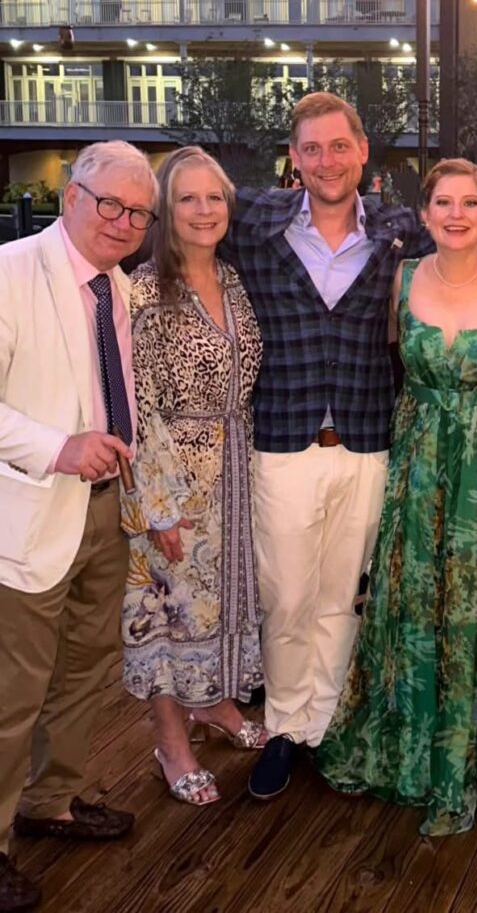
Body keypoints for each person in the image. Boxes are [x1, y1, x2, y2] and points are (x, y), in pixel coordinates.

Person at [217, 92, 435, 800]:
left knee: (344, 592)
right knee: (286, 595)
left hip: (368, 439)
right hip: (281, 438)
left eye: (338, 146)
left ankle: (328, 723)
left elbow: (467, 268)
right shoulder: (255, 220)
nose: (325, 161)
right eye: (310, 149)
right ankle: (284, 726)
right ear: (295, 157)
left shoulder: (404, 230)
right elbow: (180, 229)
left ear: (363, 150)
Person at [316, 159, 477, 834]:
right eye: (443, 202)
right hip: (415, 472)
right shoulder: (401, 279)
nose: (456, 214)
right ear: (424, 214)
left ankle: (475, 761)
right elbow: (376, 355)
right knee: (412, 601)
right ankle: (410, 758)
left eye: (470, 202)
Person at [0, 141, 157, 913]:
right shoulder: (9, 273)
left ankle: (50, 801)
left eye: (138, 212)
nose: (124, 221)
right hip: (30, 509)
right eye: (111, 204)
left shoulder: (117, 289)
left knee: (87, 670)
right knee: (12, 692)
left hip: (104, 512)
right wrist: (56, 447)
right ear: (71, 196)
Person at [121, 147, 265, 807]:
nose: (205, 210)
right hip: (174, 474)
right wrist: (160, 504)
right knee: (169, 613)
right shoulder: (146, 289)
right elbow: (138, 402)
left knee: (228, 599)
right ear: (164, 210)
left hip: (235, 463)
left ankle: (219, 703)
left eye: (215, 197)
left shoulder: (233, 281)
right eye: (188, 198)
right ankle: (171, 742)